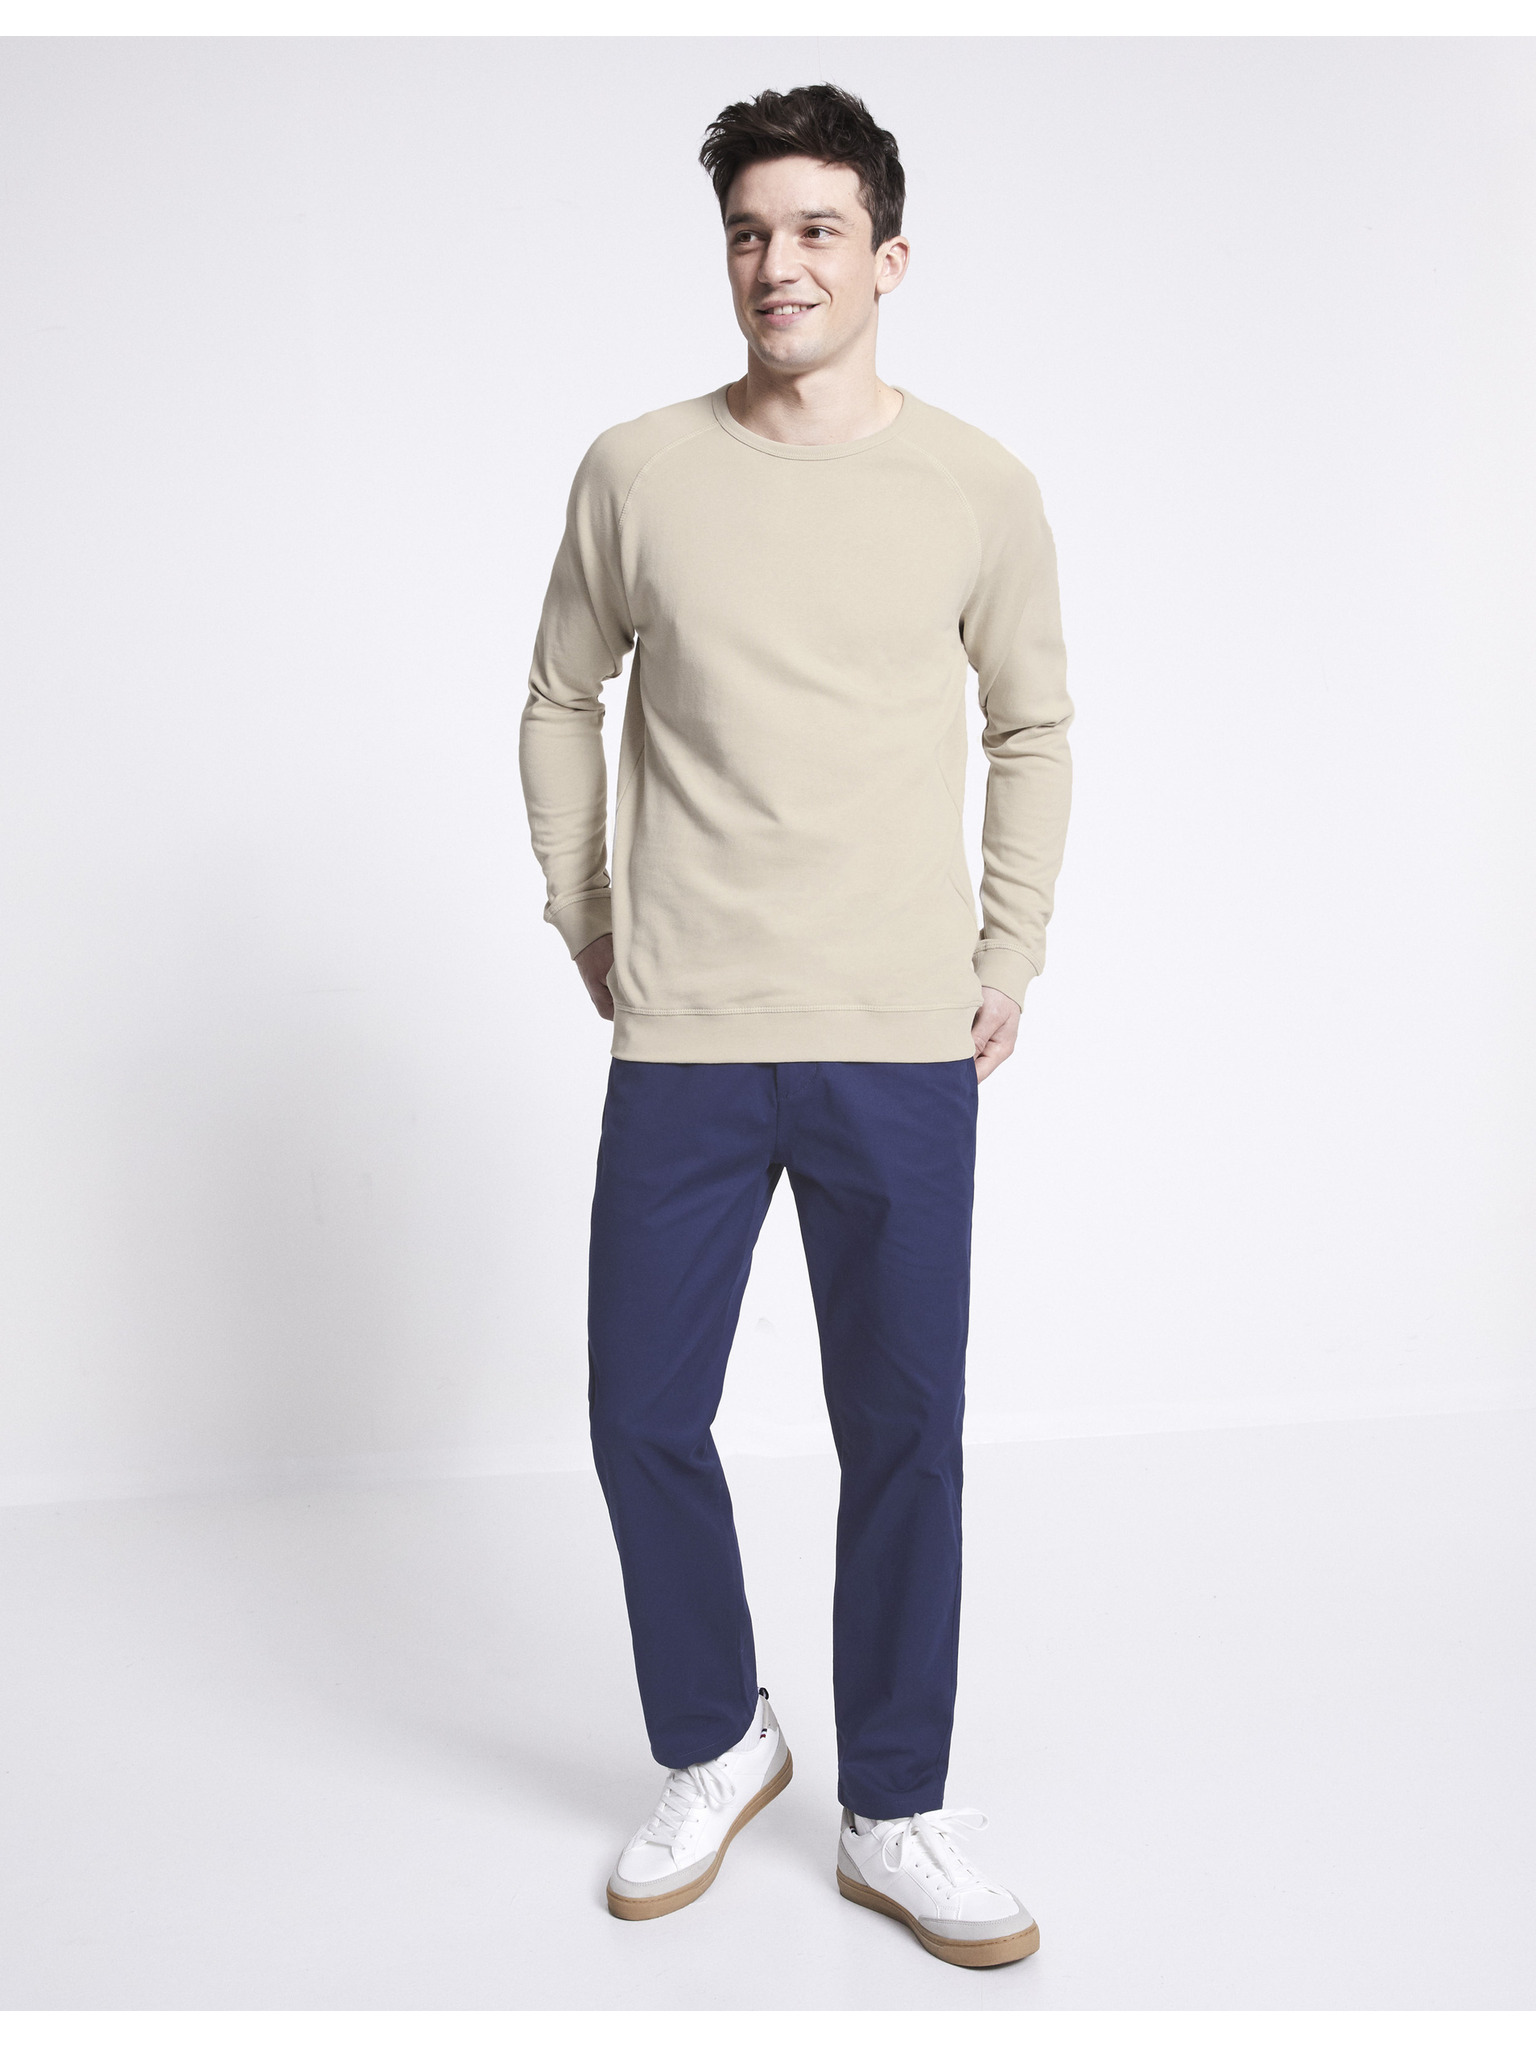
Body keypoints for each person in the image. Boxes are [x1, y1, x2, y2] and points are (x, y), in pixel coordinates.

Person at [518, 82, 1072, 1970]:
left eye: (819, 230)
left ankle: (894, 1804)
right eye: (752, 232)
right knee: (639, 1412)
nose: (781, 265)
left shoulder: (977, 485)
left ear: (888, 257)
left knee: (906, 1428)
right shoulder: (637, 470)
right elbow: (557, 695)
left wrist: (1009, 946)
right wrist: (587, 910)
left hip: (898, 1033)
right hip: (684, 1025)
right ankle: (718, 1738)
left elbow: (1033, 723)